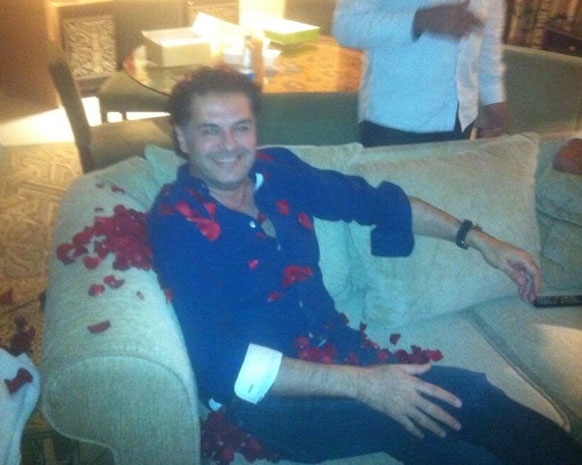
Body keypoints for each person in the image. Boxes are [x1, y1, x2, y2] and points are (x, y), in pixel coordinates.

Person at [147, 67, 582, 464]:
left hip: (341, 352)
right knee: (467, 401)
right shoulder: (176, 226)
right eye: (210, 130)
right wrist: (368, 385)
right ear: (182, 139)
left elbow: (379, 204)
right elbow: (221, 363)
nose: (229, 145)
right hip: (272, 405)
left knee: (454, 437)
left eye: (241, 127)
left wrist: (482, 241)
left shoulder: (277, 172)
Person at [332, 0, 509, 147]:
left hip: (460, 120)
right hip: (395, 120)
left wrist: (494, 98)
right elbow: (345, 25)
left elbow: (487, 38)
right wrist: (419, 20)